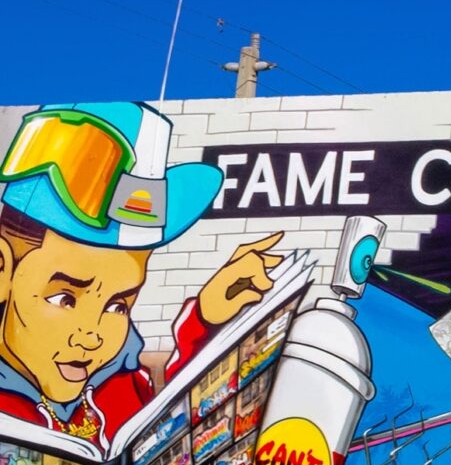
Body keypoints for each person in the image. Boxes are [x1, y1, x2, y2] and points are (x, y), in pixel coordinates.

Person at [0, 103, 283, 445]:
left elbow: (180, 436)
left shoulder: (120, 389)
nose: (91, 338)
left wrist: (205, 321)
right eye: (65, 298)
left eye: (118, 306)